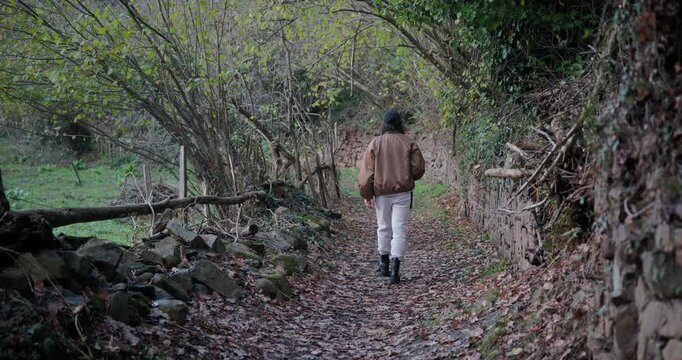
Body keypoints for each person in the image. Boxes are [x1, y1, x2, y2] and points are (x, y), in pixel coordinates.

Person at [358, 109, 425, 284]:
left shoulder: (375, 143)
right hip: (402, 192)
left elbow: (368, 172)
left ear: (385, 124)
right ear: (399, 123)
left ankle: (384, 265)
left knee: (383, 227)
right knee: (399, 229)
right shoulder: (409, 142)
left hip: (382, 193)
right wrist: (407, 176)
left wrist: (367, 193)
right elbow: (418, 169)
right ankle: (396, 270)